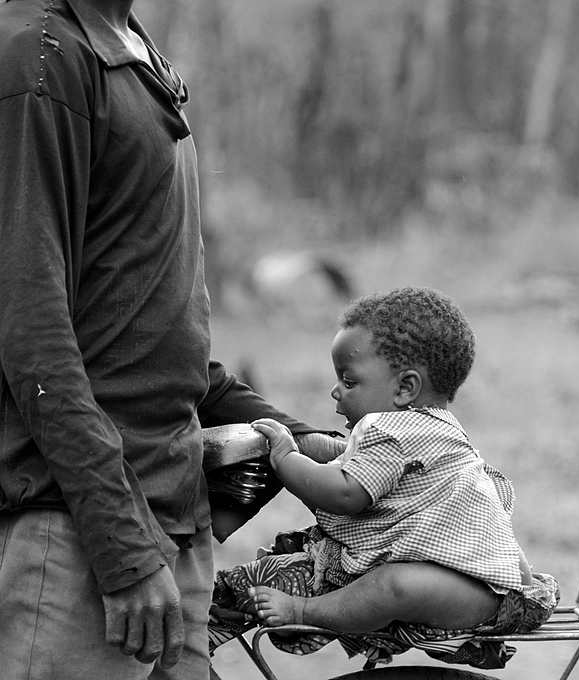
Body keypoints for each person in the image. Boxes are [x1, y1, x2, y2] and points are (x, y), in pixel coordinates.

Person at [0, 2, 344, 679]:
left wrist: (305, 440)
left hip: (171, 522)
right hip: (78, 535)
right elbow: (31, 332)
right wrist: (121, 545)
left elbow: (150, 340)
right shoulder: (39, 56)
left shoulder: (134, 54)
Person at [210, 287, 560, 668]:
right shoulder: (435, 427)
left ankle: (302, 611)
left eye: (349, 381)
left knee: (393, 584)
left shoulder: (393, 432)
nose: (335, 391)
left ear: (405, 388)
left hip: (477, 592)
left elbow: (345, 494)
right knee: (388, 578)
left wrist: (285, 457)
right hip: (484, 583)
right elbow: (356, 467)